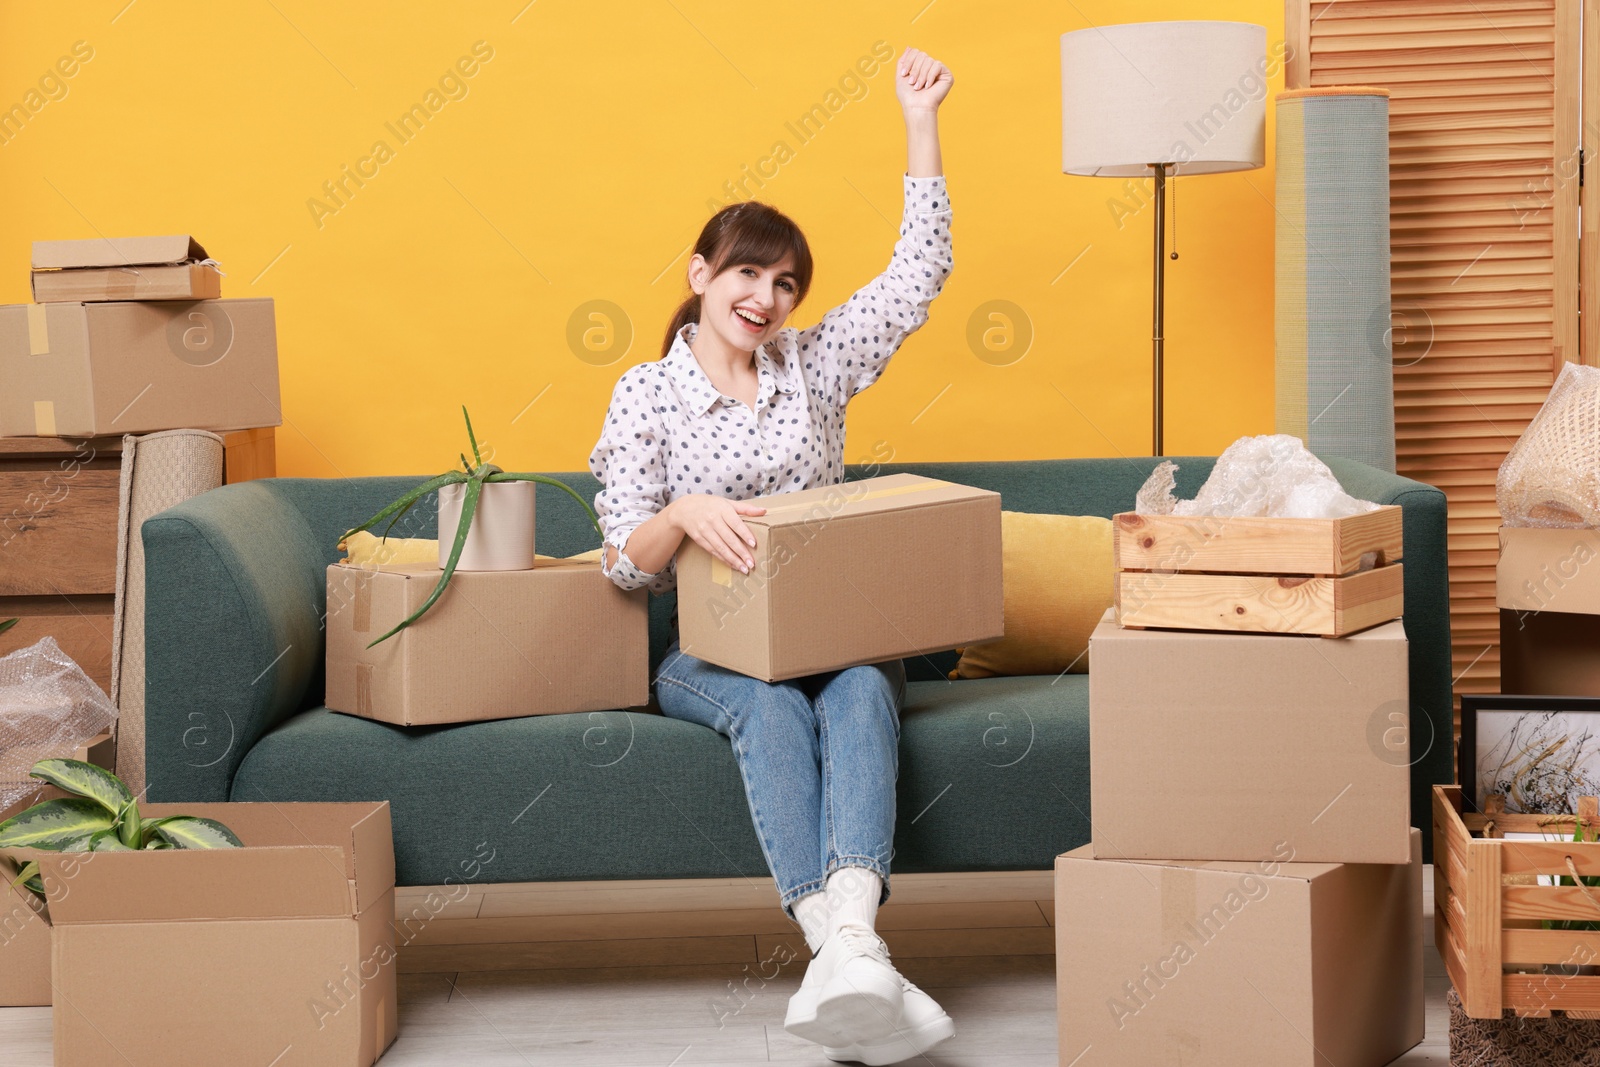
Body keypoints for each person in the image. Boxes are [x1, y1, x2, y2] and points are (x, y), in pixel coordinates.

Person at [588, 45, 954, 1065]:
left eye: (785, 281)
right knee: (768, 699)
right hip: (703, 650)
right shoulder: (645, 394)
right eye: (748, 271)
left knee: (858, 690)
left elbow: (918, 274)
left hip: (828, 630)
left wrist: (917, 122)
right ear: (701, 274)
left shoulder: (815, 364)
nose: (767, 295)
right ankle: (848, 948)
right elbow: (621, 559)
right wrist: (685, 512)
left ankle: (847, 942)